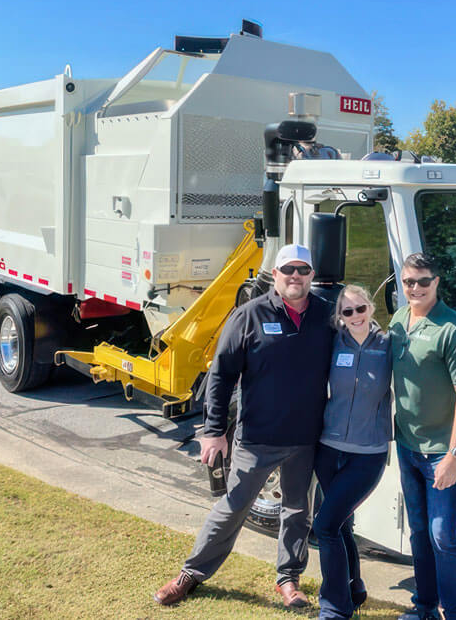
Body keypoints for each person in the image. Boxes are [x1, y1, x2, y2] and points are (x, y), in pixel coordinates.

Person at [154, 243, 334, 609]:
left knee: (298, 512)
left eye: (303, 270)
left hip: (305, 438)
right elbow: (220, 376)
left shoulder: (327, 316)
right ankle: (191, 574)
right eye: (288, 270)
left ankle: (289, 580)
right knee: (232, 507)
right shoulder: (249, 315)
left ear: (312, 276)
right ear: (277, 275)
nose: (295, 276)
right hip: (257, 438)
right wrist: (213, 431)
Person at [390, 252, 456, 620]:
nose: (415, 288)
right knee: (418, 533)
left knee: (443, 535)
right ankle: (423, 605)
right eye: (409, 281)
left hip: (441, 452)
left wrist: (454, 455)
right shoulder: (398, 320)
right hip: (408, 447)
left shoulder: (452, 329)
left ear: (436, 283)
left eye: (423, 281)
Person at [313, 284, 392, 620]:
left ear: (370, 309)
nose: (355, 316)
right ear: (340, 317)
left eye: (360, 308)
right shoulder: (333, 343)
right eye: (348, 312)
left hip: (368, 453)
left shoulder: (389, 345)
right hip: (329, 450)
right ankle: (355, 587)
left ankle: (335, 609)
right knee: (341, 524)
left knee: (325, 525)